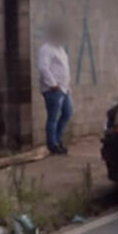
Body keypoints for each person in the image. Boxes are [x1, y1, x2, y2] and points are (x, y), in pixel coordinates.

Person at [38, 22, 73, 155]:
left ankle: (57, 140)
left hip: (64, 89)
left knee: (67, 113)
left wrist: (67, 86)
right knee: (53, 117)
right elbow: (43, 67)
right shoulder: (46, 49)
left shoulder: (60, 49)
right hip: (53, 89)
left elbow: (63, 69)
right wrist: (52, 83)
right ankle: (52, 144)